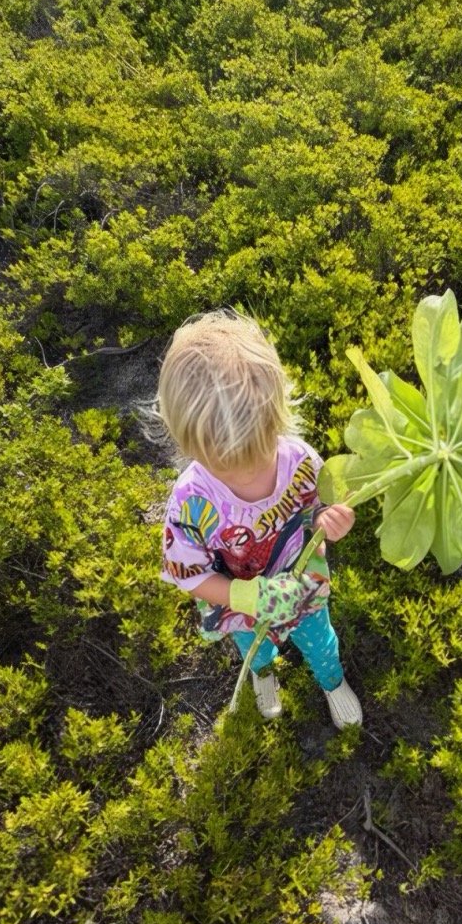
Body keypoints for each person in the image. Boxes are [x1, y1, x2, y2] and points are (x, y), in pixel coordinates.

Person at [155, 309, 362, 728]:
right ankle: (262, 671)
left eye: (259, 452)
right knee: (255, 645)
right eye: (224, 466)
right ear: (188, 443)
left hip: (302, 587)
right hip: (243, 604)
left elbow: (317, 511)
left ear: (277, 418)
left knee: (320, 640)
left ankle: (331, 679)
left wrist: (332, 520)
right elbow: (186, 573)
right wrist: (247, 599)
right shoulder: (190, 502)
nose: (246, 474)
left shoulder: (302, 461)